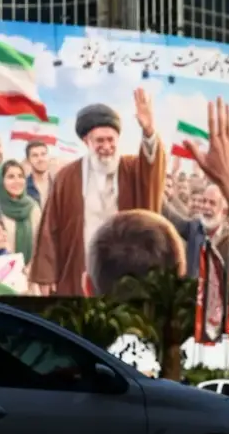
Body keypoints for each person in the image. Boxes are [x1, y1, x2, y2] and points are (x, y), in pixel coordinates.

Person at [29, 90, 164, 296]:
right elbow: (51, 225)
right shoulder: (67, 176)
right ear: (86, 141)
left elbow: (151, 168)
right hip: (80, 267)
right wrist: (46, 275)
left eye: (111, 140)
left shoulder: (131, 169)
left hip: (125, 267)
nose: (107, 146)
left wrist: (149, 131)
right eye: (100, 141)